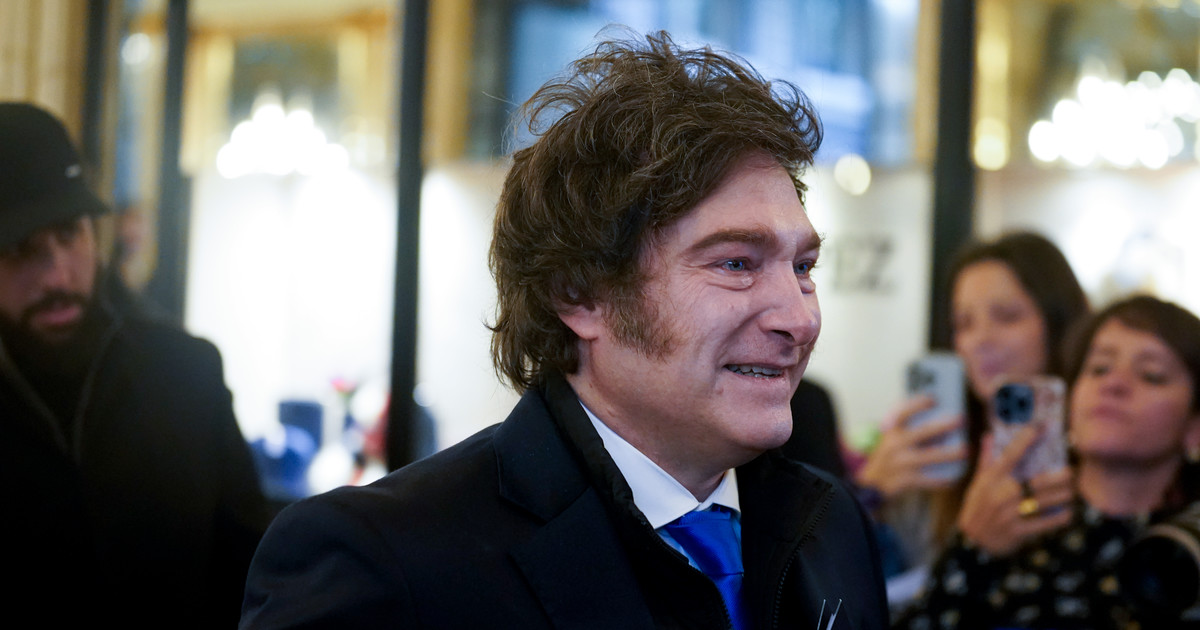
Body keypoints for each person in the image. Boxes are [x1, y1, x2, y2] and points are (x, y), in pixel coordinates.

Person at [240, 31, 889, 629]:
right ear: (580, 294)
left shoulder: (830, 528)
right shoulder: (384, 562)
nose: (799, 317)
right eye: (736, 264)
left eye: (803, 267)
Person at [0, 102, 270, 627]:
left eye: (70, 234)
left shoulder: (186, 374)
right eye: (21, 249)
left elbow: (255, 575)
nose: (57, 275)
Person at [895, 295, 1200, 629]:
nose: (1113, 383)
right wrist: (971, 548)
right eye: (1098, 368)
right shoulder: (1007, 523)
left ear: (1195, 428)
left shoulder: (1188, 546)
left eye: (1152, 375)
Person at [851, 232, 1089, 605]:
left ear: (1059, 324)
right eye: (964, 323)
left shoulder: (1099, 446)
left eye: (1007, 317)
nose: (980, 339)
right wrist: (866, 498)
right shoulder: (938, 459)